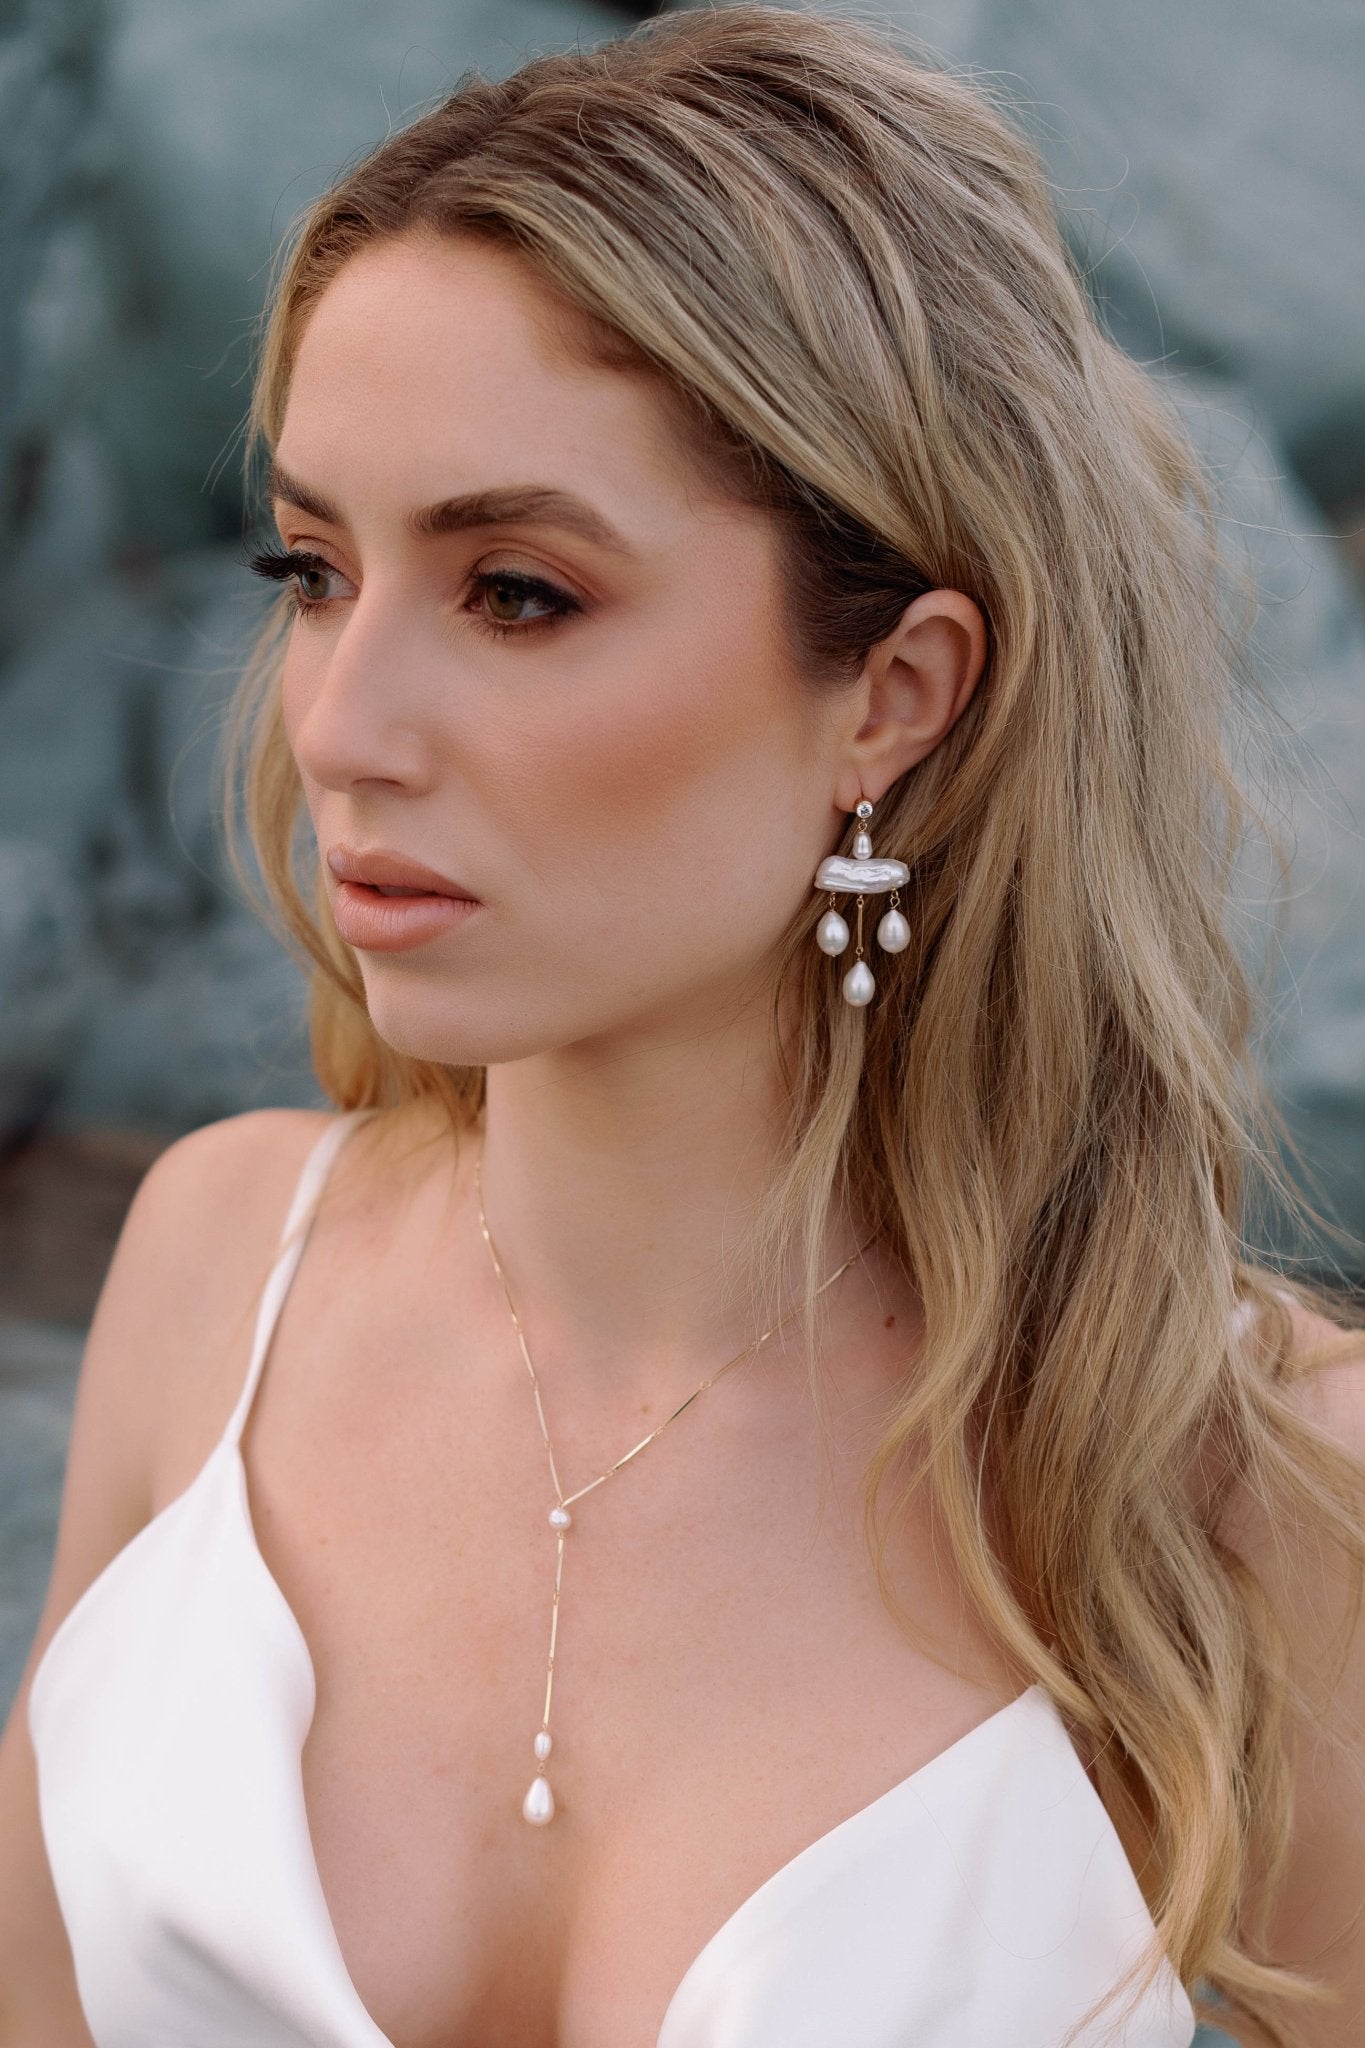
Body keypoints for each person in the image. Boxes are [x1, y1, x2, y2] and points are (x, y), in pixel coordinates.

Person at [2, 6, 1363, 2044]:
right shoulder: (216, 1268)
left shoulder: (1251, 1490)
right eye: (312, 566)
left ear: (891, 692)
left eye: (518, 592)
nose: (343, 728)